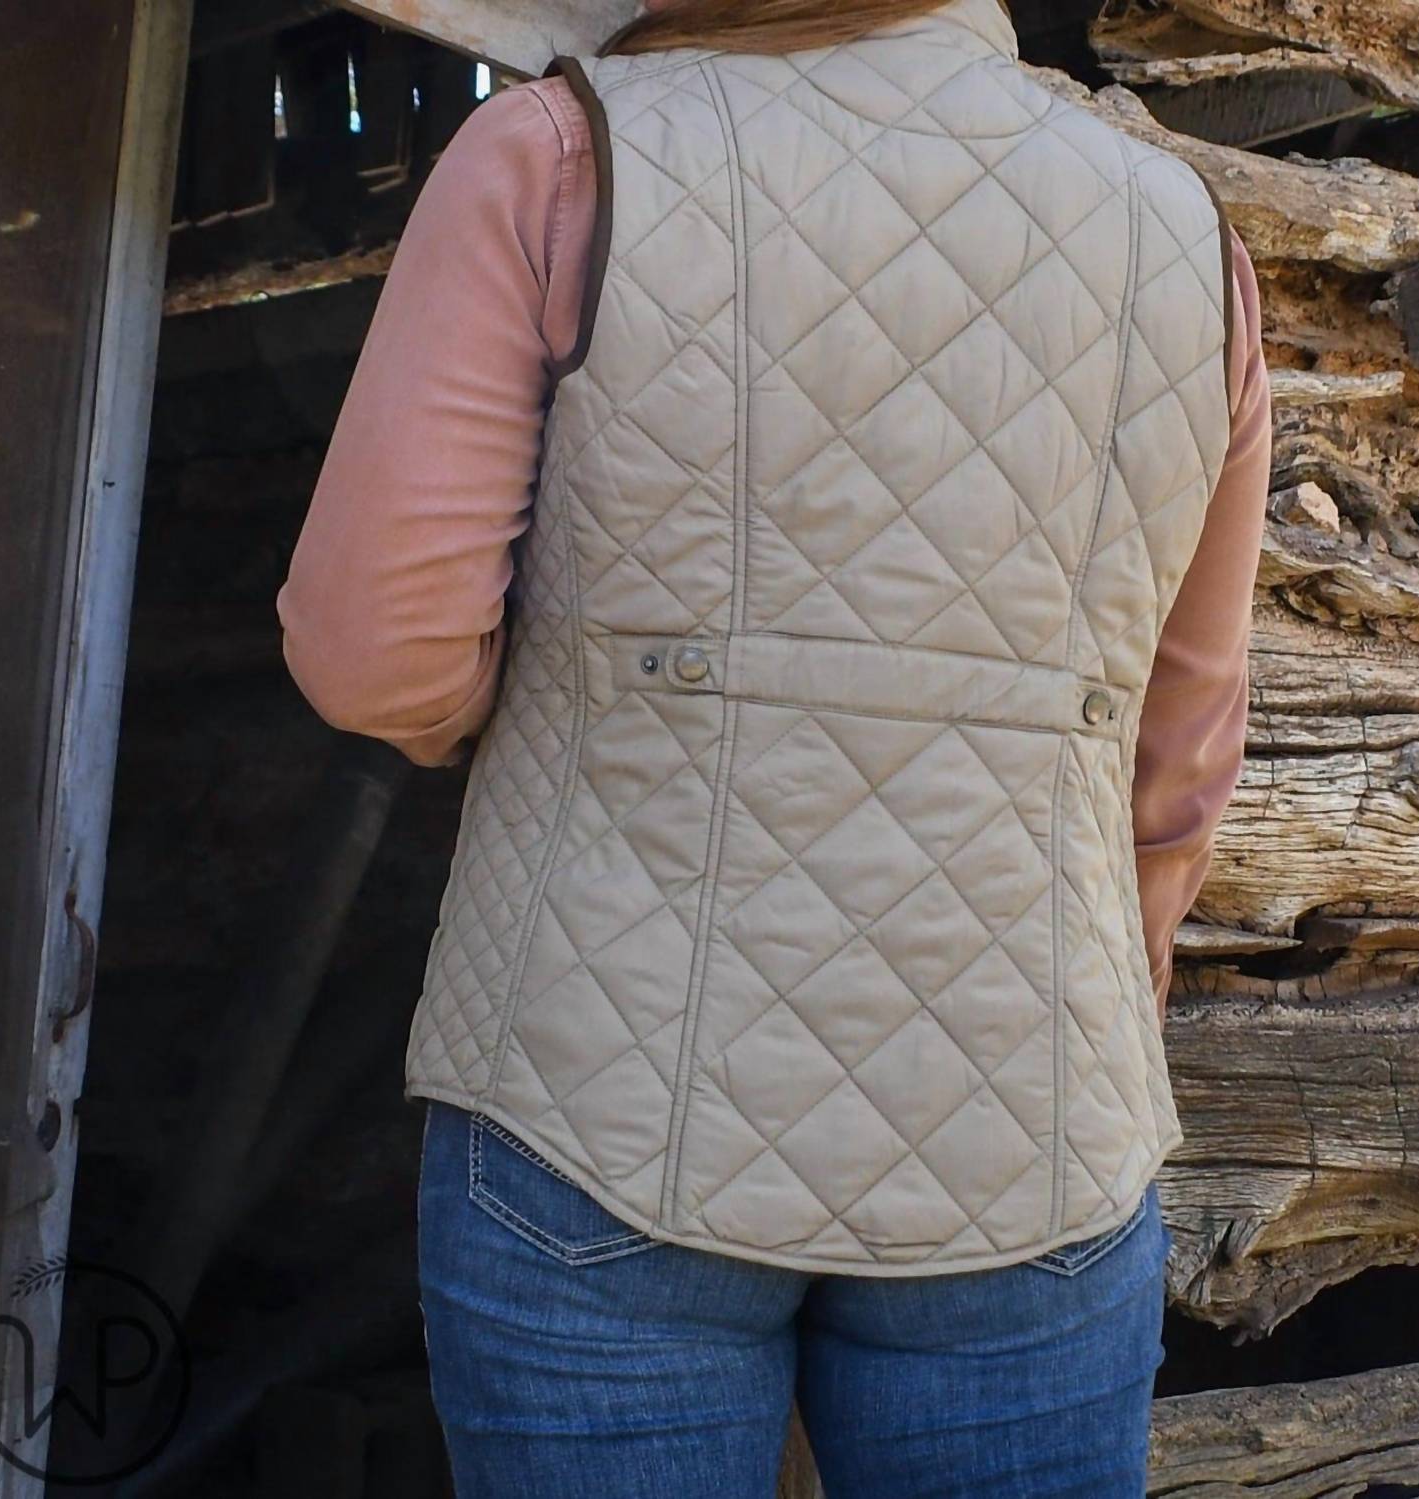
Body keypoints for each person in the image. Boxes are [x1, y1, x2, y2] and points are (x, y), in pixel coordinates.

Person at [276, 0, 1272, 1492]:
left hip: (596, 1101)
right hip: (1030, 1118)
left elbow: (377, 654)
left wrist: (577, 724)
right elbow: (1179, 751)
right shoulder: (1181, 235)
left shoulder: (560, 155)